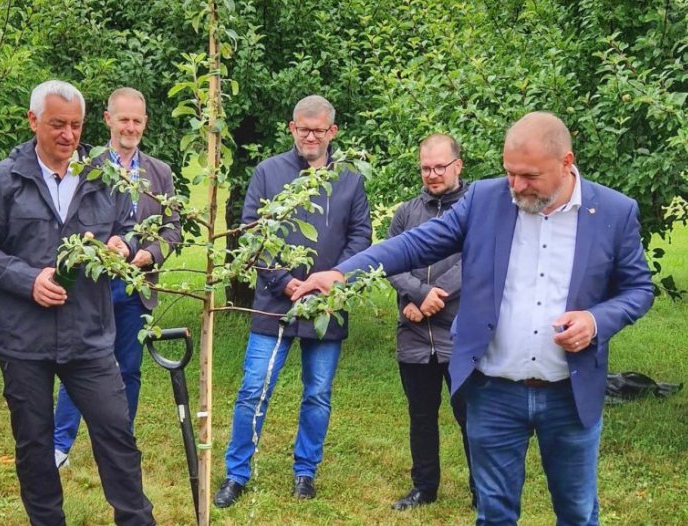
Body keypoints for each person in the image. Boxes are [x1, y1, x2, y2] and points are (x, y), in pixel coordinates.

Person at [294, 112, 654, 525]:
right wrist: (344, 272)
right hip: (494, 392)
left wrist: (596, 321)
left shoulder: (613, 211)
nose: (515, 187)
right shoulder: (486, 199)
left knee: (575, 512)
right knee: (494, 513)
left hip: (569, 395)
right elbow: (415, 243)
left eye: (529, 176)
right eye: (509, 172)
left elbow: (639, 290)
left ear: (566, 162)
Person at [0, 80, 155, 525]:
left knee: (115, 433)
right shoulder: (4, 179)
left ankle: (136, 519)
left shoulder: (100, 176)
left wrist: (122, 245)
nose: (68, 135)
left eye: (75, 125)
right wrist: (29, 280)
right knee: (34, 443)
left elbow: (128, 227)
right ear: (33, 121)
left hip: (88, 335)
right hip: (23, 339)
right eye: (57, 125)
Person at [213, 95, 372, 508]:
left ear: (332, 132)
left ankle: (305, 472)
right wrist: (283, 282)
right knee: (253, 389)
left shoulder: (350, 178)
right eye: (304, 128)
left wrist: (327, 284)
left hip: (327, 304)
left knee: (317, 392)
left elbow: (360, 238)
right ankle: (237, 473)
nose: (310, 136)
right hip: (273, 301)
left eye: (319, 130)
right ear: (292, 128)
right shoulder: (268, 173)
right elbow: (252, 235)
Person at [53, 87, 181, 468]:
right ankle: (59, 445)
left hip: (135, 287)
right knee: (80, 363)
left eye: (137, 121)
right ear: (107, 119)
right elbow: (66, 224)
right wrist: (95, 245)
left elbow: (172, 229)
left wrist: (150, 253)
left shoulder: (159, 172)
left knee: (128, 368)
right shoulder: (84, 166)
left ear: (145, 123)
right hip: (91, 285)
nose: (130, 127)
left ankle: (117, 443)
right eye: (123, 119)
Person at [387, 134, 475, 511]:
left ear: (458, 165)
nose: (433, 174)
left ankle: (482, 491)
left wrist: (431, 296)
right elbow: (389, 260)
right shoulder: (406, 213)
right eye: (426, 168)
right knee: (421, 417)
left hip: (460, 335)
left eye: (440, 166)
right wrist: (417, 295)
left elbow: (476, 262)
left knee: (470, 417)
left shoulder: (476, 210)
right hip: (414, 337)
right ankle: (424, 487)